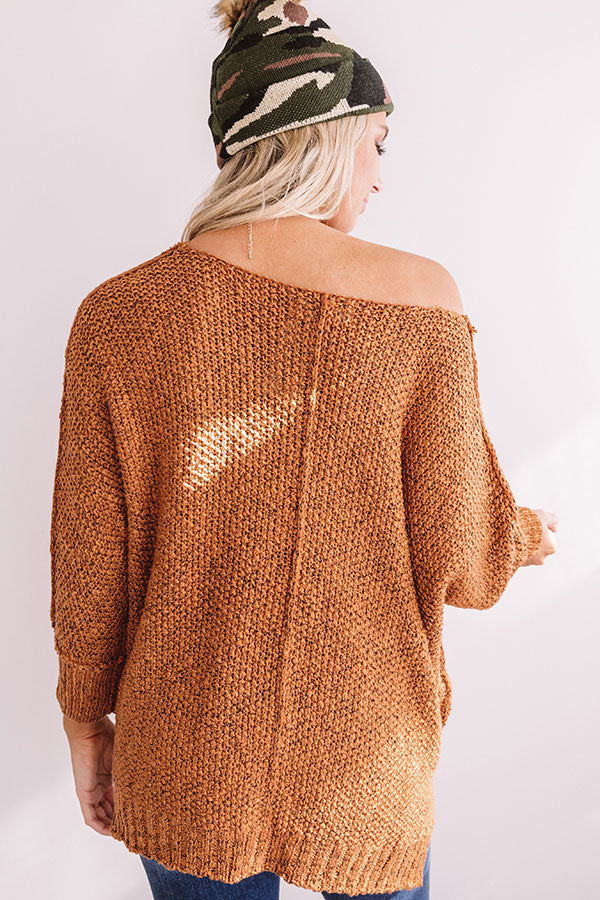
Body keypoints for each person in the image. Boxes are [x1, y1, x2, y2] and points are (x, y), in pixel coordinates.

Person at [50, 2, 559, 899]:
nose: (379, 178)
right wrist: (519, 534)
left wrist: (86, 727)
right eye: (377, 146)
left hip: (186, 751)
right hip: (365, 755)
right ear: (321, 137)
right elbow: (466, 554)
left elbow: (91, 569)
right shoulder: (421, 303)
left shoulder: (118, 316)